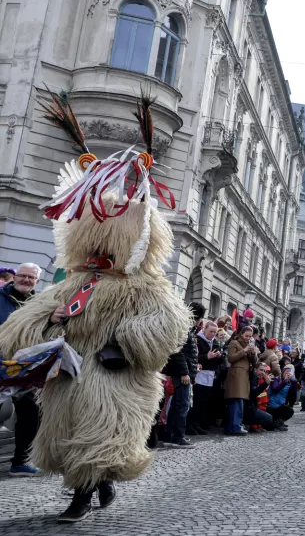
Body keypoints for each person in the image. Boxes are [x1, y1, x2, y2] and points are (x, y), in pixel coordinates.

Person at [0, 97, 190, 523]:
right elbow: (25, 323)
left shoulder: (144, 285)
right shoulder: (73, 281)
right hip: (69, 373)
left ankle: (81, 497)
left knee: (99, 430)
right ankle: (98, 484)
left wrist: (124, 342)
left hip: (113, 373)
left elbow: (169, 324)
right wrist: (50, 322)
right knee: (70, 437)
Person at [0, 263, 48, 477]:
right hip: (1, 365)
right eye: (23, 276)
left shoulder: (40, 305)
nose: (26, 280)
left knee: (31, 413)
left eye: (31, 278)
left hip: (26, 369)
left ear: (37, 282)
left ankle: (20, 462)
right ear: (15, 277)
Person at [162, 303, 202, 448]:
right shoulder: (184, 328)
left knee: (178, 404)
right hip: (181, 373)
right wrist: (185, 372)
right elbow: (178, 352)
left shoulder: (187, 328)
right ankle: (177, 436)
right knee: (182, 405)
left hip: (183, 372)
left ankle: (170, 434)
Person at [190, 320, 224, 434]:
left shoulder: (215, 342)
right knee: (197, 401)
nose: (213, 334)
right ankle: (191, 424)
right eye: (211, 332)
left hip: (210, 374)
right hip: (200, 374)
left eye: (215, 332)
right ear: (204, 330)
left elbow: (221, 361)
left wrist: (219, 356)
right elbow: (194, 358)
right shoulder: (198, 340)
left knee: (205, 402)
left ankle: (199, 423)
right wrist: (207, 357)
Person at [224, 326, 257, 436]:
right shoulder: (234, 343)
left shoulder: (249, 345)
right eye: (246, 335)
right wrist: (244, 351)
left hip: (244, 376)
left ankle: (235, 426)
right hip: (236, 376)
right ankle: (234, 426)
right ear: (241, 334)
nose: (248, 338)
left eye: (250, 336)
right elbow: (231, 358)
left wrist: (253, 353)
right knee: (236, 401)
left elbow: (255, 362)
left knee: (240, 401)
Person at [267, 364, 297, 430]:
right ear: (282, 372)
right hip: (270, 407)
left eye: (290, 371)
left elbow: (292, 398)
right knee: (269, 427)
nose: (288, 373)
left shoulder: (290, 383)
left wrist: (294, 382)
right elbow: (275, 390)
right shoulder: (276, 379)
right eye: (287, 371)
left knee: (290, 410)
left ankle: (278, 423)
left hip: (280, 406)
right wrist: (285, 381)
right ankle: (274, 423)